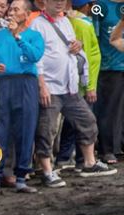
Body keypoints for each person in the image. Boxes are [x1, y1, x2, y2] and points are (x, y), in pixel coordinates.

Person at [29, 0, 115, 186]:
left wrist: (77, 47)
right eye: (55, 0)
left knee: (87, 120)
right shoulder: (37, 24)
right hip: (51, 87)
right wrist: (41, 84)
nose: (59, 3)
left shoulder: (65, 22)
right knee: (47, 128)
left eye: (62, 0)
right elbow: (37, 57)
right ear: (45, 2)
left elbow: (73, 49)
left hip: (69, 86)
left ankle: (89, 162)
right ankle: (46, 170)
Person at [0, 0, 44, 194]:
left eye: (16, 9)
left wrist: (18, 37)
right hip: (3, 84)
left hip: (26, 83)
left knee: (25, 129)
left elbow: (35, 56)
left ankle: (21, 177)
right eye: (10, 9)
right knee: (0, 131)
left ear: (27, 14)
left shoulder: (34, 36)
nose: (11, 12)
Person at [93, 0, 124, 165]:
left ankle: (120, 147)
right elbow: (94, 36)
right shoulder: (100, 6)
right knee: (109, 110)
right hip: (109, 67)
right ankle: (107, 150)